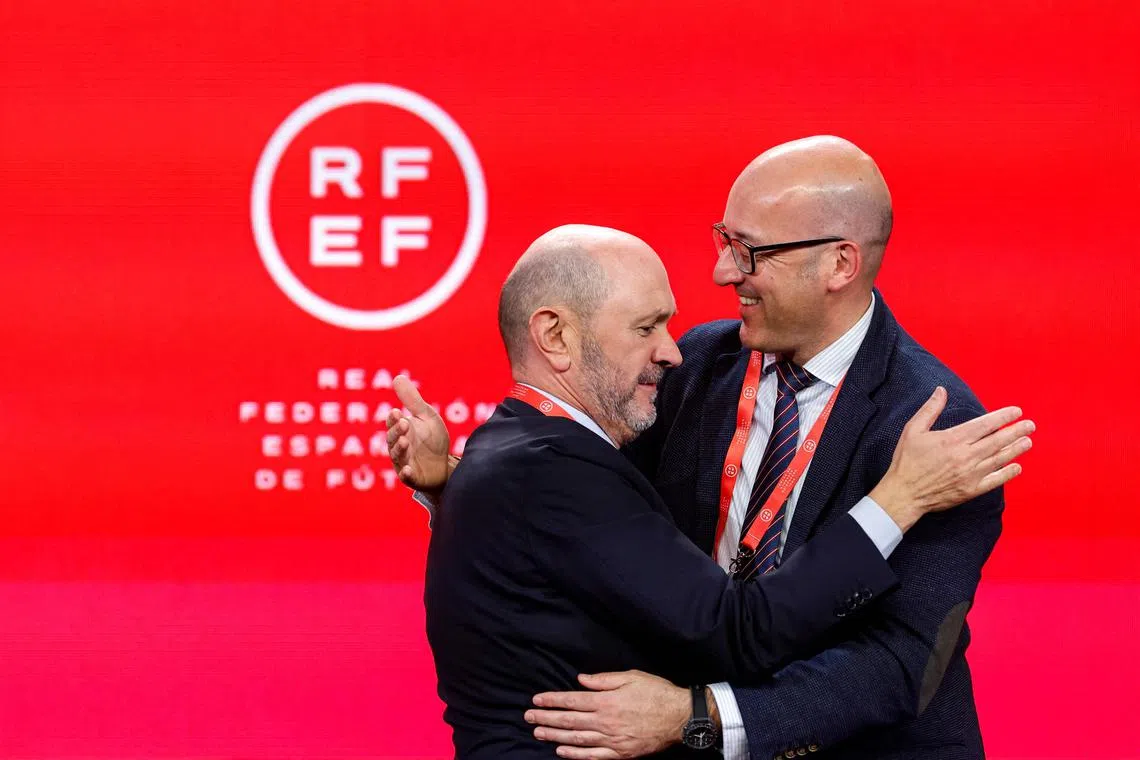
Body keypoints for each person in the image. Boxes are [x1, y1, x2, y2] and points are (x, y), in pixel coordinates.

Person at [394, 218, 1032, 758]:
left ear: (840, 261)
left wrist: (696, 715)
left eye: (751, 249)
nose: (725, 270)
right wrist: (898, 500)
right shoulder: (686, 376)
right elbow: (733, 624)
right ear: (555, 336)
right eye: (646, 328)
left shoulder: (935, 426)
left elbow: (901, 662)